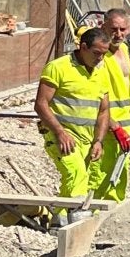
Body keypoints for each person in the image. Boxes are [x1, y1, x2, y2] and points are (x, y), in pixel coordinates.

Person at [33, 27, 113, 221]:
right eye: (96, 53)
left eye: (104, 54)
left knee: (76, 180)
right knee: (76, 174)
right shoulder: (58, 67)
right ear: (83, 47)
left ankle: (57, 220)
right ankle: (76, 222)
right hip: (61, 136)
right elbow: (41, 104)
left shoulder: (101, 72)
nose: (100, 59)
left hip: (87, 139)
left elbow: (104, 112)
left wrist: (98, 141)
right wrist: (60, 132)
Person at [88, 8, 130, 202]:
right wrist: (113, 125)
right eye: (114, 29)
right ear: (102, 26)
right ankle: (91, 210)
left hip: (125, 124)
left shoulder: (124, 49)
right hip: (106, 125)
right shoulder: (99, 56)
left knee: (121, 170)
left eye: (123, 29)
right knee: (100, 172)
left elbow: (124, 82)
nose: (118, 34)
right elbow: (92, 96)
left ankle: (113, 209)